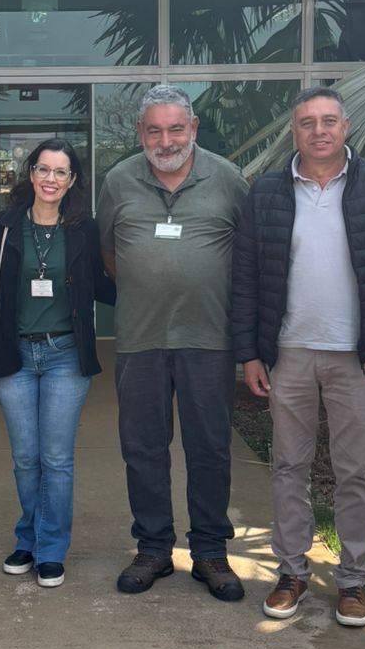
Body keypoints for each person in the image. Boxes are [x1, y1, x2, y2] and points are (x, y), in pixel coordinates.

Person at [232, 87, 365, 627]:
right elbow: (245, 278)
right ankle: (291, 572)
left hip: (358, 357)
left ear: (346, 127)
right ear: (293, 133)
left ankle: (352, 582)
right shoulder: (266, 192)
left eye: (329, 121)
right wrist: (249, 352)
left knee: (356, 471)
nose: (319, 131)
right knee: (289, 466)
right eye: (306, 123)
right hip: (288, 354)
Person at [97, 84, 250, 601]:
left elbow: (248, 257)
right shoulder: (118, 181)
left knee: (209, 449)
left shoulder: (227, 179)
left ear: (194, 129)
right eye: (155, 130)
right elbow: (110, 256)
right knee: (142, 449)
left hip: (209, 339)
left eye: (176, 128)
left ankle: (210, 551)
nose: (166, 140)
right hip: (140, 339)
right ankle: (153, 549)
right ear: (140, 133)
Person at [0, 138, 116, 587]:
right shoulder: (3, 226)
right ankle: (29, 537)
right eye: (43, 169)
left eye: (61, 172)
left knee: (55, 458)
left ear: (72, 180)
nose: (50, 179)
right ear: (30, 173)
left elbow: (103, 285)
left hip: (64, 355)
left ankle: (50, 548)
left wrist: (157, 278)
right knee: (25, 457)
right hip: (15, 354)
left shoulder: (84, 229)